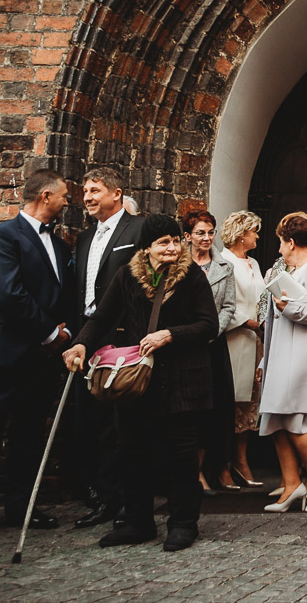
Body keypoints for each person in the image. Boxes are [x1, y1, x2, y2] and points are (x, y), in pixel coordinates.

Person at [62, 214, 219, 552]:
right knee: (132, 450)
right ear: (146, 247)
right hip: (138, 380)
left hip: (182, 380)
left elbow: (209, 325)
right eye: (164, 242)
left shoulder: (191, 276)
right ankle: (137, 521)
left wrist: (170, 335)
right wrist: (80, 344)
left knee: (181, 454)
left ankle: (182, 523)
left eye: (176, 241)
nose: (173, 248)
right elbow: (101, 318)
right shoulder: (127, 276)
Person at [0, 168, 74, 542]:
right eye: (63, 196)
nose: (67, 201)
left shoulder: (59, 246)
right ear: (45, 196)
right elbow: (7, 293)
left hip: (40, 359)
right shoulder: (2, 236)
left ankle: (22, 507)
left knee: (28, 434)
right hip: (4, 352)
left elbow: (63, 297)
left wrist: (66, 330)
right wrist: (49, 333)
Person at [72, 167, 144, 530]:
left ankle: (128, 502)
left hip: (123, 337)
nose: (87, 196)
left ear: (117, 193)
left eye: (95, 189)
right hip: (89, 335)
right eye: (85, 190)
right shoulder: (85, 237)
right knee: (93, 422)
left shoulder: (138, 229)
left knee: (121, 424)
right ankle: (103, 497)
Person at [259, 213, 307, 513]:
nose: (279, 248)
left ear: (291, 242)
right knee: (275, 419)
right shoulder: (290, 270)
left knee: (296, 422)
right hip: (281, 353)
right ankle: (292, 484)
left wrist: (289, 307)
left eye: (281, 242)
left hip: (305, 355)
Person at [183, 210, 238, 494]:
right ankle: (187, 472)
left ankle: (206, 470)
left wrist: (211, 332)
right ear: (187, 236)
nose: (206, 238)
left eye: (210, 232)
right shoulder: (177, 264)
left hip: (213, 346)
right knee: (186, 411)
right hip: (183, 346)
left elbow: (229, 306)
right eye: (200, 233)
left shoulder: (223, 267)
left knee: (212, 410)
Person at [219, 210, 267, 487]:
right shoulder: (223, 262)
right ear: (240, 234)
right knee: (230, 403)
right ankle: (223, 463)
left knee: (249, 404)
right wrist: (247, 322)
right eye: (253, 231)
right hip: (234, 338)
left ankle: (241, 459)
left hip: (255, 340)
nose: (257, 236)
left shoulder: (254, 263)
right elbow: (224, 302)